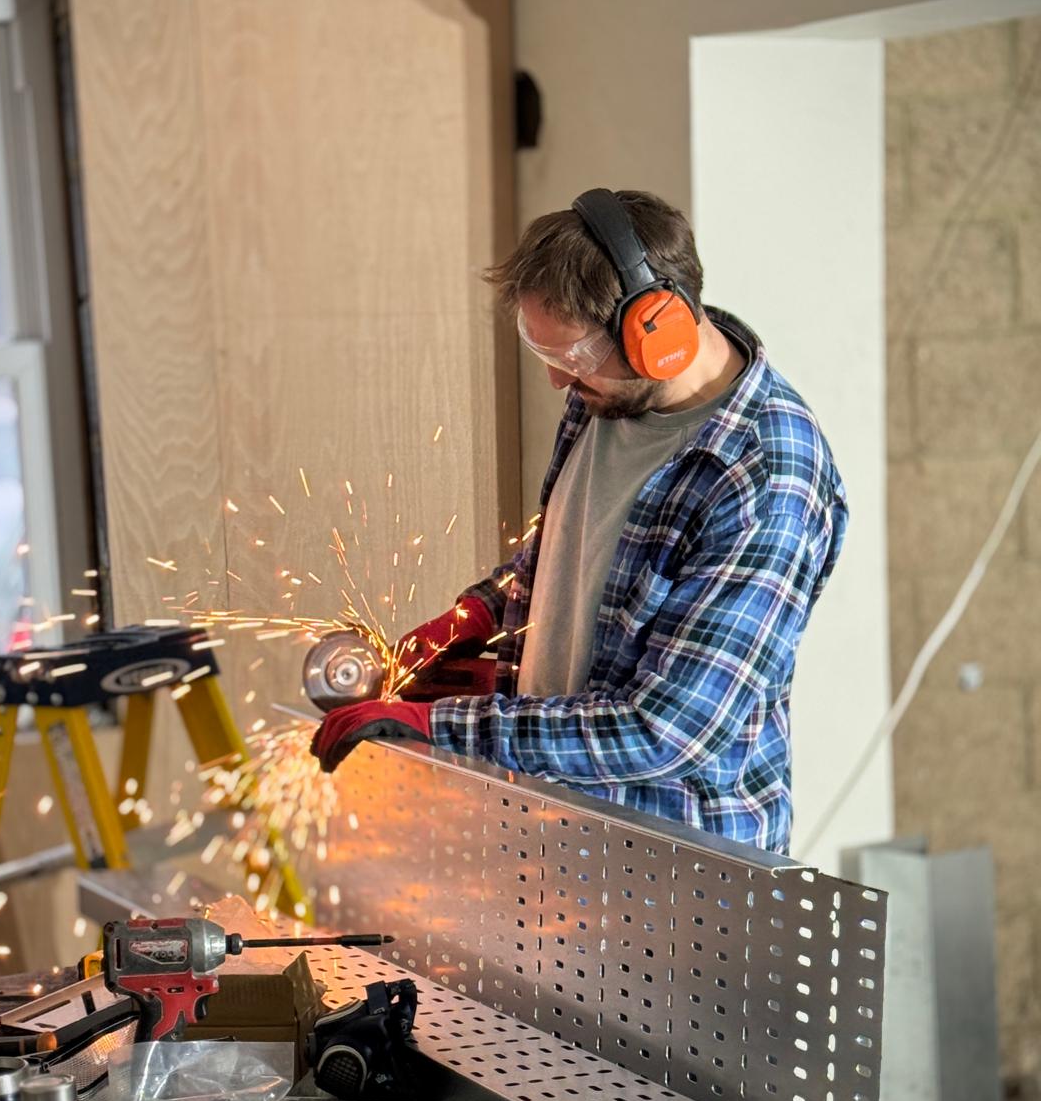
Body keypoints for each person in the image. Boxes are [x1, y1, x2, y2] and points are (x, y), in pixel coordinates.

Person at [311, 188, 846, 855]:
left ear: (659, 332)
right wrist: (476, 616)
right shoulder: (608, 398)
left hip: (675, 872)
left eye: (575, 362)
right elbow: (572, 556)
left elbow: (666, 731)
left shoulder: (764, 475)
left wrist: (437, 725)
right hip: (555, 831)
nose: (560, 384)